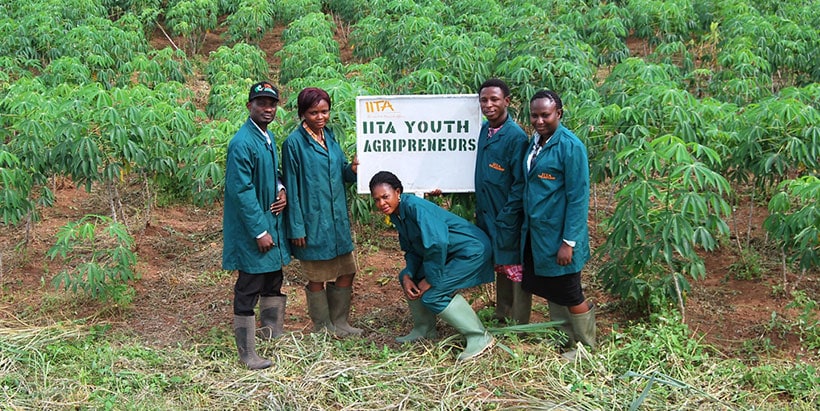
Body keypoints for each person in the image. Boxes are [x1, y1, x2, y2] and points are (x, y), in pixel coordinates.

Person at [370, 171, 495, 361]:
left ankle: (479, 337)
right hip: (449, 253)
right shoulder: (398, 215)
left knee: (433, 294)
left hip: (470, 251)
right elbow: (412, 250)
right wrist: (408, 274)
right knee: (408, 278)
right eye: (377, 200)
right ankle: (424, 329)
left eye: (385, 197)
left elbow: (436, 243)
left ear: (397, 192)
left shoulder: (415, 208)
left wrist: (430, 278)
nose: (381, 204)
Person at [281, 87, 362, 337]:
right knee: (317, 277)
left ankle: (340, 322)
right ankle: (322, 327)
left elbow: (341, 174)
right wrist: (296, 227)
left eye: (324, 111)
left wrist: (353, 169)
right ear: (302, 113)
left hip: (337, 221)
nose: (320, 117)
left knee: (347, 271)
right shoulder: (293, 144)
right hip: (311, 221)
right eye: (313, 112)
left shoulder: (330, 136)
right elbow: (292, 188)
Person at [521, 90, 594, 360]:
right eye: (534, 115)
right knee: (552, 286)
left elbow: (577, 198)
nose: (539, 120)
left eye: (546, 115)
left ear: (559, 114)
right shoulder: (535, 142)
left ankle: (586, 347)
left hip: (559, 234)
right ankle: (566, 339)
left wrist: (569, 241)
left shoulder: (570, 146)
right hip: (538, 232)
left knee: (570, 289)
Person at [222, 81, 290, 370]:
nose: (267, 109)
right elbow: (242, 191)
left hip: (271, 220)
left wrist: (280, 187)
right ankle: (247, 354)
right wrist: (260, 231)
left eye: (272, 104)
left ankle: (271, 334)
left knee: (273, 279)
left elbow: (271, 172)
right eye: (261, 103)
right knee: (249, 285)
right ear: (249, 105)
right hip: (255, 228)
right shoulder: (242, 142)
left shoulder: (266, 136)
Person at [474, 78, 532, 325]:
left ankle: (519, 322)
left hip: (507, 214)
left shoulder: (515, 137)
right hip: (488, 211)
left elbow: (520, 183)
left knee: (515, 267)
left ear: (507, 101)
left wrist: (507, 216)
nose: (489, 104)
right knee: (502, 265)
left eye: (494, 99)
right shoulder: (485, 130)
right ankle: (502, 314)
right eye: (484, 100)